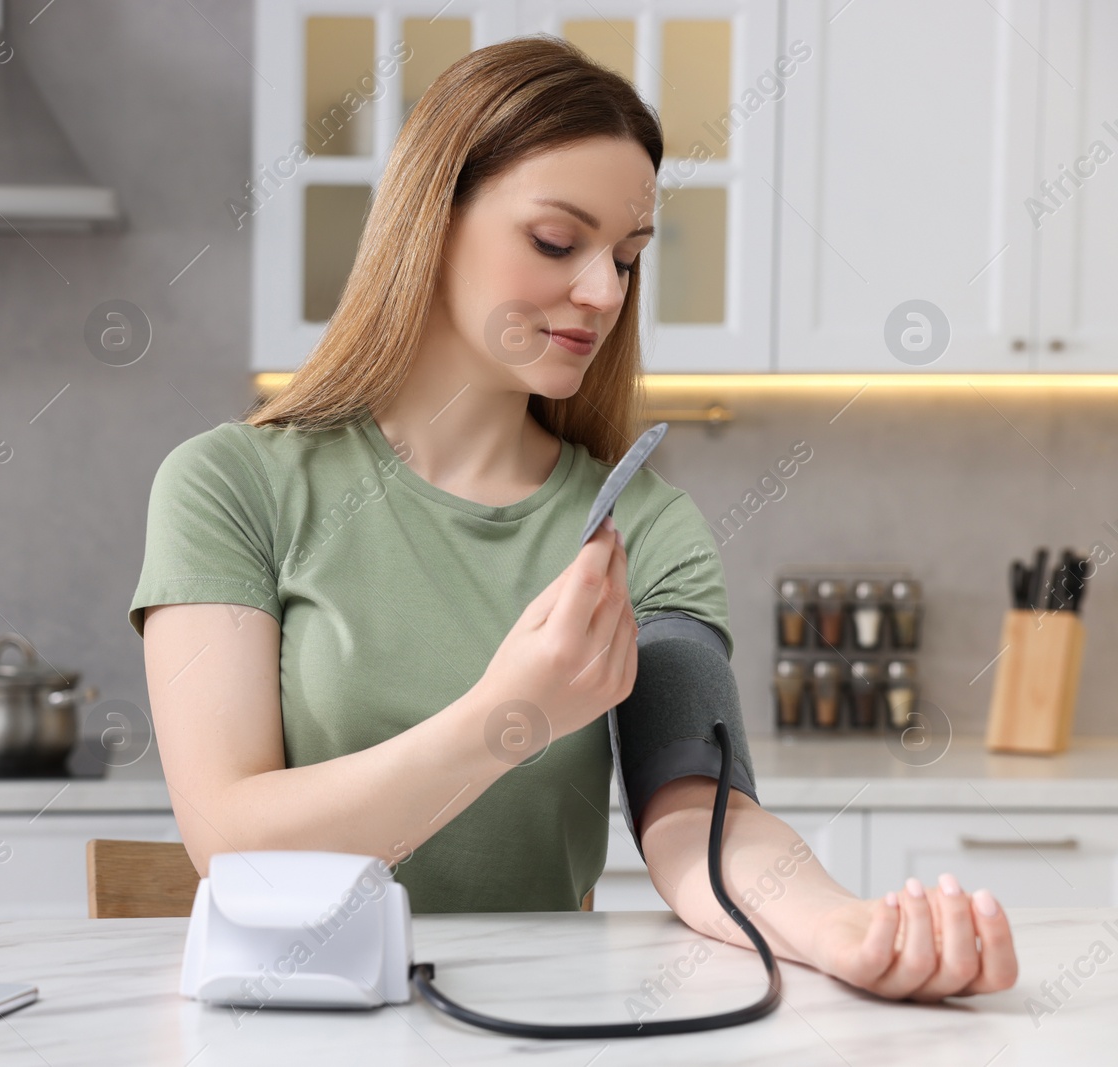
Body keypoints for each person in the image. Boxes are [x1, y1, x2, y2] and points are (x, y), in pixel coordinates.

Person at [128, 35, 1016, 1002]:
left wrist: (845, 929)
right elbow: (230, 839)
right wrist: (509, 720)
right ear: (434, 219)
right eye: (558, 242)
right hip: (294, 1019)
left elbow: (696, 814)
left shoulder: (643, 526)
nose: (603, 293)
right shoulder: (230, 486)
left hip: (529, 1018)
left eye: (627, 258)